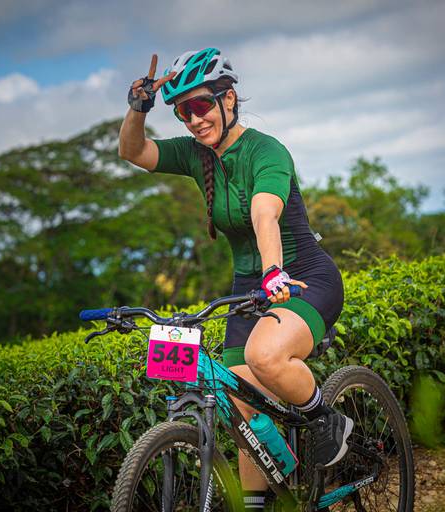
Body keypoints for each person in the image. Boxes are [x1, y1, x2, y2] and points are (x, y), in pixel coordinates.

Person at [118, 48, 353, 508]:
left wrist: (273, 272)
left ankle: (326, 420)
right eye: (182, 111)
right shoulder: (196, 154)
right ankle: (261, 501)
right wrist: (138, 107)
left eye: (201, 105)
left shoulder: (266, 151)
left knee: (264, 356)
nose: (193, 119)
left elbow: (265, 214)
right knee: (237, 402)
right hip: (249, 287)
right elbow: (133, 151)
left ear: (229, 99)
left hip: (301, 277)